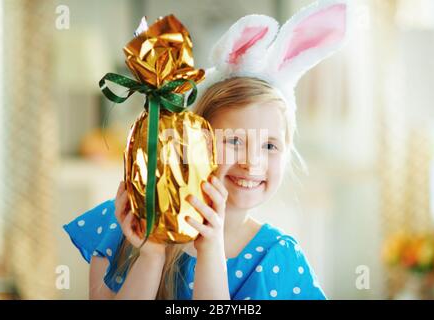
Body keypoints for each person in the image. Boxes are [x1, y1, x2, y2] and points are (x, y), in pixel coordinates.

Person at [63, 0, 348, 300]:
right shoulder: (121, 227)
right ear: (195, 143)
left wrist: (211, 251)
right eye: (234, 141)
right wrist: (151, 257)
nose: (252, 163)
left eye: (269, 145)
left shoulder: (278, 260)